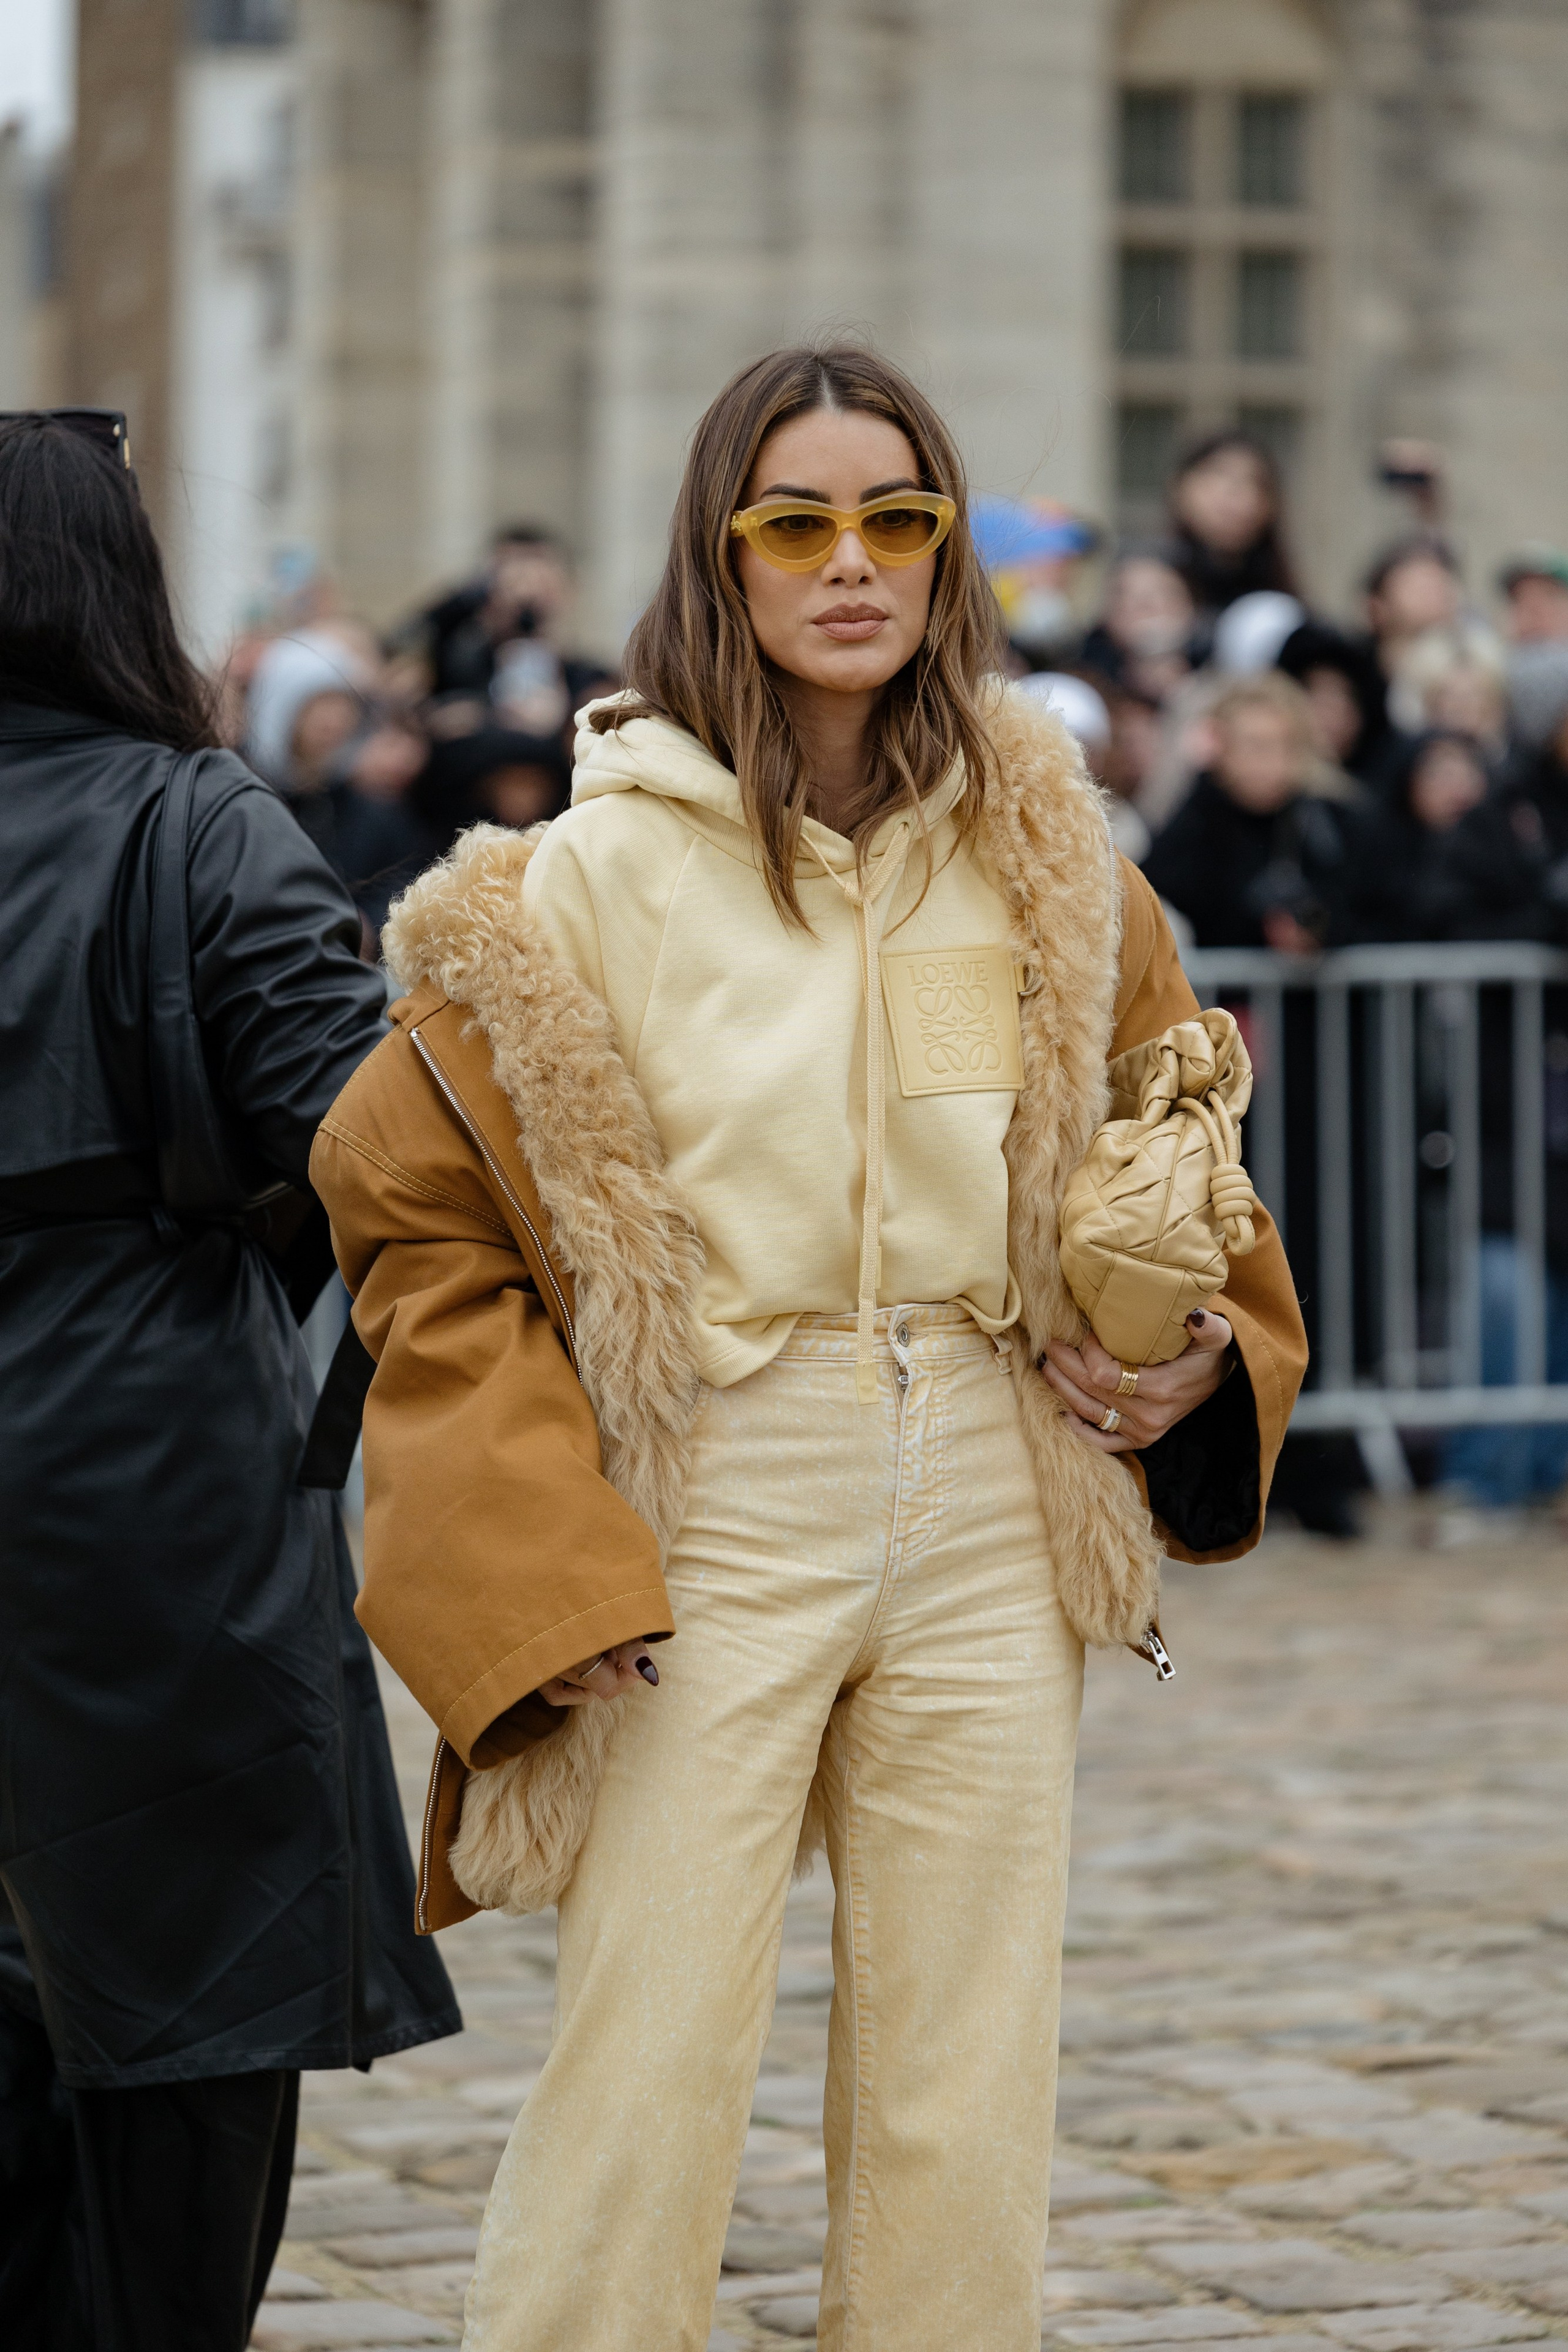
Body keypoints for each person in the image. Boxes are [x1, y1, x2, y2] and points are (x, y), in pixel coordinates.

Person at [311, 343, 1306, 2352]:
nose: (851, 562)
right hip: (713, 1486)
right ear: (724, 551)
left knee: (966, 2074)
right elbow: (423, 1225)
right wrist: (536, 1553)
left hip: (993, 1474)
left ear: (946, 551)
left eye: (896, 518)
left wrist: (1204, 1347)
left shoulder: (1054, 860)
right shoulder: (585, 878)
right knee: (648, 2053)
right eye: (798, 522)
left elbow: (1181, 1142)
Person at [0, 414, 459, 2352]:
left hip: (130, 1407)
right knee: (187, 1988)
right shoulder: (196, 818)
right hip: (146, 1459)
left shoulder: (192, 818)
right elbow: (369, 1140)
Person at [1141, 671, 1357, 952]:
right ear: (1223, 748)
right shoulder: (1197, 824)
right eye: (1257, 746)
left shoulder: (1332, 822)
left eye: (1286, 745)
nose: (1274, 762)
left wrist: (1323, 933)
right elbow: (1160, 892)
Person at [399, 522, 616, 741]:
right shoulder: (449, 668)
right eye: (508, 575)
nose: (523, 589)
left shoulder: (594, 685)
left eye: (540, 577)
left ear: (567, 590)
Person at [1164, 428, 1298, 632]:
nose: (1236, 493)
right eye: (1219, 474)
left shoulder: (1279, 597)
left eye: (1255, 482)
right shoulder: (1148, 576)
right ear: (1180, 487)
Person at [1078, 548, 1196, 705]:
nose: (1156, 607)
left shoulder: (1219, 672)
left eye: (1168, 594)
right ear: (1108, 616)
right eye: (1140, 601)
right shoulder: (1087, 691)